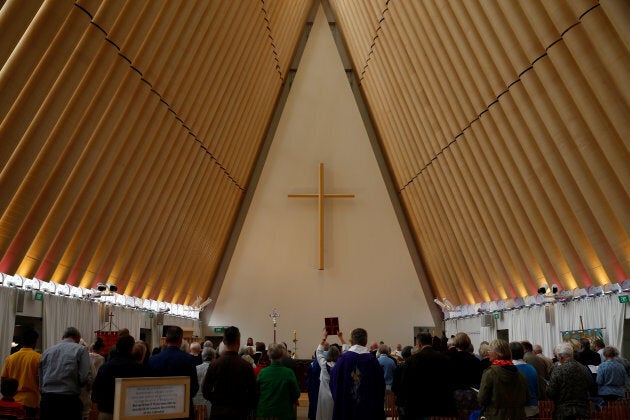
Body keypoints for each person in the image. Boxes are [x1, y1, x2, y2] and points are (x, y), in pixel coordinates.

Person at [202, 326, 257, 419]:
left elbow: (205, 391)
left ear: (223, 342)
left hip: (218, 412)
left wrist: (216, 400)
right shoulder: (246, 366)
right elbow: (254, 393)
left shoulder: (214, 365)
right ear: (238, 342)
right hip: (240, 412)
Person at [330, 328, 385, 420]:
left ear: (351, 341)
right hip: (368, 410)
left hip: (346, 409)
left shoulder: (343, 360)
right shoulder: (372, 361)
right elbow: (380, 387)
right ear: (366, 341)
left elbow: (334, 383)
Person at [91, 335, 151, 419]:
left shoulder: (105, 367)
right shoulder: (140, 369)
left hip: (107, 412)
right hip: (130, 414)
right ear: (132, 348)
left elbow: (95, 394)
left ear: (117, 347)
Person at [39, 327, 91, 420]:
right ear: (78, 339)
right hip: (68, 401)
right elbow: (84, 377)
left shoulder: (47, 351)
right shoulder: (81, 350)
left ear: (63, 337)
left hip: (47, 400)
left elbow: (41, 377)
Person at [148, 326, 198, 420]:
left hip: (159, 409)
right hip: (182, 408)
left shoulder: (152, 360)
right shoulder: (188, 359)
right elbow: (194, 386)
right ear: (180, 341)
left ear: (166, 340)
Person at [402, 332, 456, 418]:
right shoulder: (444, 359)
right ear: (431, 343)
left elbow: (406, 384)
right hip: (439, 406)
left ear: (419, 344)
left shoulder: (411, 361)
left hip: (417, 407)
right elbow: (450, 382)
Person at [477, 339, 529, 420]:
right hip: (518, 416)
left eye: (490, 351)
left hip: (496, 416)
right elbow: (527, 398)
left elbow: (482, 399)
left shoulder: (490, 373)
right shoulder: (520, 374)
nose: (488, 353)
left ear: (497, 354)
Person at [1, 327, 41, 418]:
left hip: (13, 400)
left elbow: (3, 379)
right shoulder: (38, 358)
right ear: (35, 342)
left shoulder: (10, 358)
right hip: (31, 401)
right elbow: (40, 380)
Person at [256, 343, 301, 419]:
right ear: (282, 355)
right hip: (284, 413)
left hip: (265, 413)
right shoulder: (288, 372)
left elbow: (256, 393)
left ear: (269, 355)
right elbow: (296, 393)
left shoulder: (262, 373)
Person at [546, 342, 590, 419]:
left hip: (564, 412)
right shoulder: (583, 368)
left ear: (560, 357)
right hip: (583, 411)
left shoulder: (558, 370)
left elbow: (551, 393)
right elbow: (590, 385)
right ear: (571, 354)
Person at [450, 332, 482, 415]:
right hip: (472, 396)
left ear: (455, 343)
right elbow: (479, 380)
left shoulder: (450, 359)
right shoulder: (476, 361)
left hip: (455, 396)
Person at [316, 331, 345, 420]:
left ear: (328, 354)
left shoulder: (324, 365)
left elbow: (319, 352)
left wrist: (324, 337)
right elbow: (346, 351)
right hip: (337, 394)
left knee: (325, 415)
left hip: (325, 395)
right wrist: (340, 337)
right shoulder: (341, 364)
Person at [510, 341, 539, 418]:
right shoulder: (531, 368)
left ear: (510, 354)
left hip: (518, 409)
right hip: (533, 407)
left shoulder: (510, 369)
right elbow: (536, 389)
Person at [193, 347, 215, 420]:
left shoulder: (195, 369)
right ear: (213, 357)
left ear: (202, 357)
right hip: (209, 404)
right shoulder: (215, 369)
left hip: (196, 403)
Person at [305, 350, 322, 420]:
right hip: (318, 386)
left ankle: (312, 416)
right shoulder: (322, 364)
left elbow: (308, 378)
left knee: (313, 403)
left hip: (313, 387)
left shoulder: (312, 364)